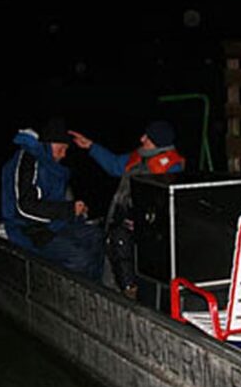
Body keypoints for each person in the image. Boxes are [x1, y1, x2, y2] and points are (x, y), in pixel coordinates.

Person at [69, 120, 185, 299]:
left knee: (121, 241)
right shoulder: (139, 156)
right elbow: (115, 165)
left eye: (147, 137)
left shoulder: (171, 166)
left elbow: (166, 204)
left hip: (152, 227)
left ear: (158, 141)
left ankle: (131, 292)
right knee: (112, 241)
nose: (141, 138)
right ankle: (116, 291)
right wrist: (91, 146)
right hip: (125, 217)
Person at [0, 116, 104, 281]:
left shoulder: (50, 164)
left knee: (97, 236)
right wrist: (68, 209)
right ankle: (65, 293)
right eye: (61, 149)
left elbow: (55, 200)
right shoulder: (28, 160)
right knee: (79, 258)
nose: (63, 155)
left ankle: (96, 290)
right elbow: (24, 207)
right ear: (48, 144)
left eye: (66, 150)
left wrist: (76, 210)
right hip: (29, 230)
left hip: (53, 224)